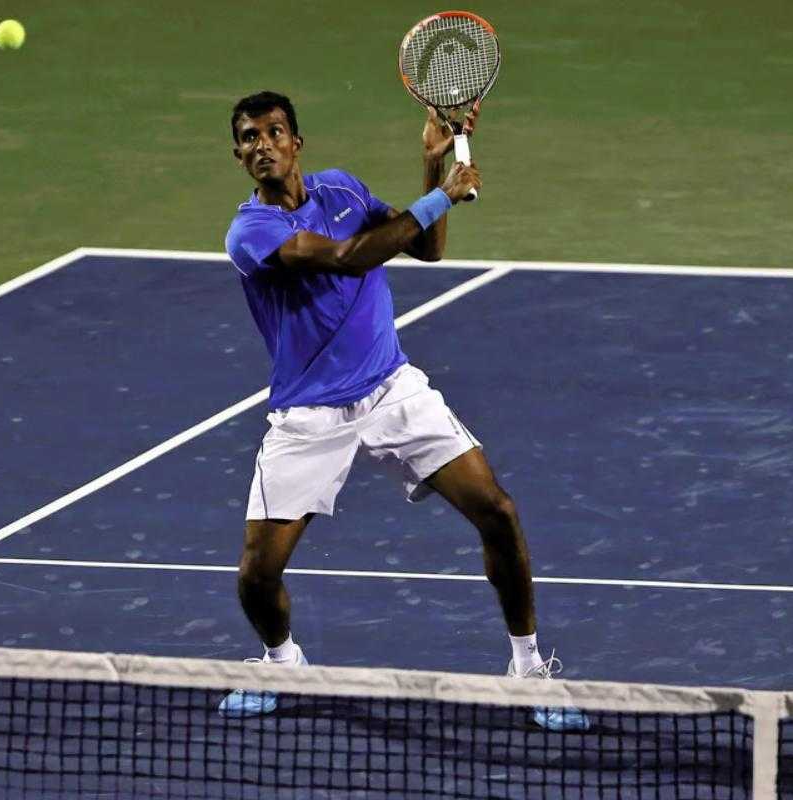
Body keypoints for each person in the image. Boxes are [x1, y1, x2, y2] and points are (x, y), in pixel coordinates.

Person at [217, 90, 586, 731]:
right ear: (239, 155)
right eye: (249, 138)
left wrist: (430, 171)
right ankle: (281, 660)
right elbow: (345, 258)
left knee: (497, 512)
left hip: (392, 391)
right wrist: (443, 192)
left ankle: (528, 669)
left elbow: (428, 250)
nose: (263, 145)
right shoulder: (251, 231)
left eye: (274, 132)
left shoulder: (343, 191)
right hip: (310, 417)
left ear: (296, 142)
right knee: (258, 574)